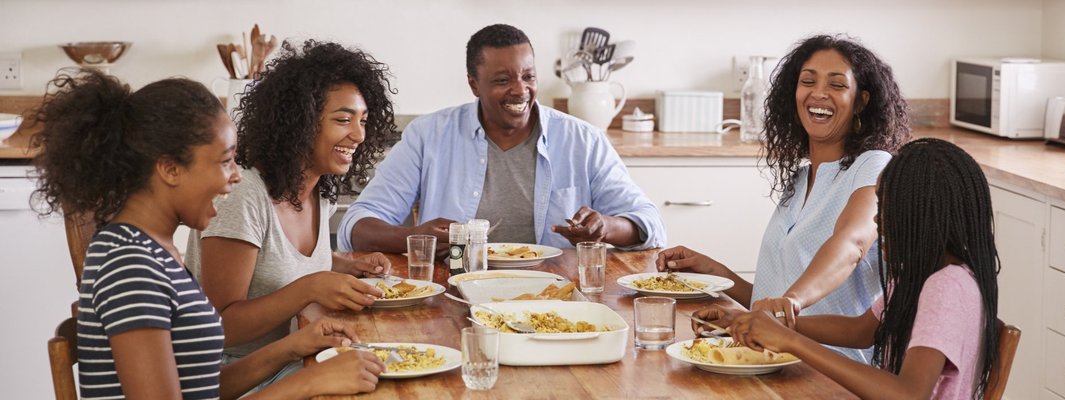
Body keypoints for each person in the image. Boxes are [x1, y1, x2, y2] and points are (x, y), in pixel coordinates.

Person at [31, 71, 383, 399]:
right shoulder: (130, 264)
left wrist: (291, 347)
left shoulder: (155, 250)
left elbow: (200, 386)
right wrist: (307, 382)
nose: (235, 177)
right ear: (170, 168)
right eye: (224, 161)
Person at [657, 34, 910, 363]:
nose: (818, 93)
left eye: (837, 85)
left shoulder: (874, 166)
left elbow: (853, 244)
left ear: (861, 102)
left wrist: (792, 300)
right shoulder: (801, 180)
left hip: (833, 373)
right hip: (776, 361)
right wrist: (714, 272)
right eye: (808, 81)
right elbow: (774, 306)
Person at [710, 138, 1001, 400]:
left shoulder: (947, 287)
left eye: (887, 209)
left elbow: (909, 395)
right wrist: (761, 322)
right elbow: (859, 330)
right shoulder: (923, 276)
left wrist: (790, 341)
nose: (876, 220)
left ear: (923, 219)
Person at [337, 23, 665, 253]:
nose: (520, 90)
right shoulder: (429, 135)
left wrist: (605, 227)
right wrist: (413, 237)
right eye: (502, 79)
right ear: (473, 84)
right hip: (456, 292)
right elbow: (356, 226)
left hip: (558, 296)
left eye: (528, 76)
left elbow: (650, 224)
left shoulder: (583, 140)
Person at [184, 40, 397, 382]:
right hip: (233, 375)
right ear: (299, 123)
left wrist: (346, 263)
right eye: (343, 119)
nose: (358, 134)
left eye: (364, 120)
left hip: (296, 359)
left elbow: (275, 262)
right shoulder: (244, 194)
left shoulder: (318, 189)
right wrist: (310, 287)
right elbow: (219, 327)